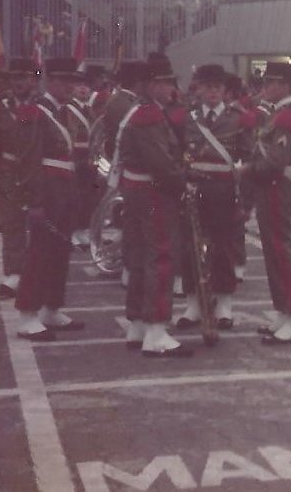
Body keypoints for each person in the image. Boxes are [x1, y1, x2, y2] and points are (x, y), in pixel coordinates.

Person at [116, 55, 191, 356]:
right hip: (153, 191)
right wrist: (184, 180)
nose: (170, 88)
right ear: (150, 85)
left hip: (136, 189)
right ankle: (157, 329)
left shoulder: (140, 110)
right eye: (164, 82)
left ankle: (137, 324)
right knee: (160, 255)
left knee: (138, 256)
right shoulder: (149, 114)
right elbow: (161, 164)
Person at [175, 64, 255, 331]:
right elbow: (177, 154)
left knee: (224, 248)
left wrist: (245, 200)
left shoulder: (238, 118)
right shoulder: (188, 118)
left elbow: (250, 159)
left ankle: (224, 305)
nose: (213, 92)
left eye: (218, 87)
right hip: (194, 189)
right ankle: (192, 304)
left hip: (224, 191)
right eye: (208, 87)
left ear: (225, 90)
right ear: (198, 89)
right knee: (190, 248)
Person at [12, 57, 86, 341]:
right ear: (50, 81)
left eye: (73, 82)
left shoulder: (67, 112)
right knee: (39, 254)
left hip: (65, 190)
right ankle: (27, 314)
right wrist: (35, 201)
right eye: (63, 81)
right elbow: (29, 160)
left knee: (59, 254)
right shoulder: (35, 112)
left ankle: (50, 308)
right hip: (46, 190)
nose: (70, 87)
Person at [241, 62, 291, 344]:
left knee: (281, 251)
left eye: (271, 82)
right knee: (273, 251)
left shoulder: (287, 118)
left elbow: (276, 161)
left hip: (277, 188)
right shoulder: (279, 114)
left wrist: (246, 170)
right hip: (271, 188)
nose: (265, 86)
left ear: (285, 86)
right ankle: (284, 311)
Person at [0, 58, 38, 299]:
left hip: (38, 171)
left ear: (33, 80)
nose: (19, 83)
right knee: (12, 223)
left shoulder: (43, 106)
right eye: (14, 78)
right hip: (10, 170)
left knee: (42, 224)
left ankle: (39, 272)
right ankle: (13, 274)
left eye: (24, 78)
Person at [62, 70, 95, 249]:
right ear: (73, 89)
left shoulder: (89, 109)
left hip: (89, 159)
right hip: (75, 158)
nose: (83, 89)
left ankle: (84, 230)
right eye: (79, 85)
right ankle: (74, 232)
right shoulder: (68, 109)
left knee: (88, 196)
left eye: (86, 85)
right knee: (75, 197)